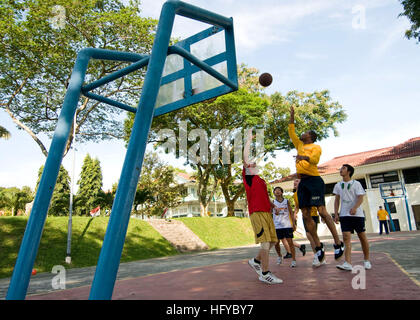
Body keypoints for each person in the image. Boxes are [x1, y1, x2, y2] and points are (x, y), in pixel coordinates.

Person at [288, 106, 344, 267]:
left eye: (305, 132)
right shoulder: (299, 145)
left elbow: (314, 161)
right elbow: (291, 131)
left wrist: (303, 156)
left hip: (314, 180)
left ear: (311, 137)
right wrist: (292, 116)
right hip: (303, 182)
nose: (302, 133)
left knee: (321, 211)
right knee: (306, 215)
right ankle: (318, 246)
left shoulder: (316, 147)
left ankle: (338, 242)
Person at [243, 132, 282, 284]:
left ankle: (256, 261)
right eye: (250, 164)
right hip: (257, 213)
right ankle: (265, 274)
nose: (252, 164)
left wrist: (274, 207)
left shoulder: (261, 181)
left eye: (254, 163)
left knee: (273, 242)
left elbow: (265, 197)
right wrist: (248, 141)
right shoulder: (249, 178)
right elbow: (246, 158)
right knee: (265, 243)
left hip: (267, 213)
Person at [333, 164, 371, 271]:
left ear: (349, 171)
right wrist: (336, 214)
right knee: (346, 238)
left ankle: (367, 260)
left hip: (357, 215)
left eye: (343, 168)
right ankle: (348, 263)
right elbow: (337, 200)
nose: (341, 170)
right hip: (344, 215)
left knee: (362, 237)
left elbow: (360, 198)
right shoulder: (338, 185)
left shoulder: (357, 184)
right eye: (340, 168)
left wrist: (355, 208)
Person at [272, 186, 298, 267]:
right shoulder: (272, 202)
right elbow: (270, 214)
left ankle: (293, 260)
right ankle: (279, 256)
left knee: (290, 243)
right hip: (277, 226)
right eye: (276, 190)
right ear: (274, 193)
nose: (277, 191)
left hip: (287, 225)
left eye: (279, 190)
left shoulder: (286, 201)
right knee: (276, 243)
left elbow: (291, 212)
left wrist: (293, 224)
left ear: (282, 192)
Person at [293, 179, 319, 254]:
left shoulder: (307, 192)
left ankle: (319, 251)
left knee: (312, 235)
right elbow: (297, 206)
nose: (295, 182)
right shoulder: (295, 195)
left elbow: (315, 202)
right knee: (309, 235)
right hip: (305, 216)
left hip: (313, 214)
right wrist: (295, 214)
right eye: (294, 182)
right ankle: (317, 254)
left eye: (297, 181)